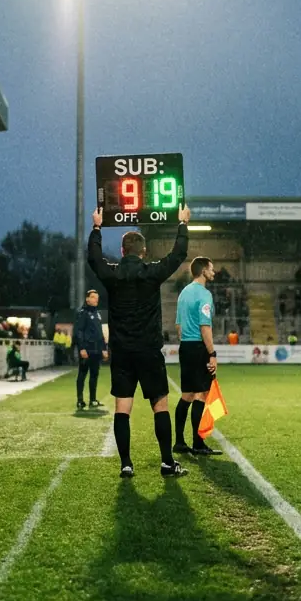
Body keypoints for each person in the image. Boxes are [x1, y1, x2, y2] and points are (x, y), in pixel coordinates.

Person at [87, 204, 191, 479]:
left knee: (123, 408)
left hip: (122, 352)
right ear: (143, 252)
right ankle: (167, 463)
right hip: (148, 351)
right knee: (160, 405)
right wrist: (182, 224)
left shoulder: (112, 274)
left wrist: (96, 228)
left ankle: (126, 464)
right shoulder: (152, 272)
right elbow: (178, 254)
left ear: (122, 252)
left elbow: (94, 259)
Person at [174, 256, 221, 457]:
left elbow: (178, 325)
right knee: (201, 394)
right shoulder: (204, 294)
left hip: (185, 345)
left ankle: (179, 442)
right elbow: (205, 327)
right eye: (211, 269)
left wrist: (186, 344)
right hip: (198, 347)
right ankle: (198, 443)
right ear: (203, 271)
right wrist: (212, 353)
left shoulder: (183, 293)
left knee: (187, 395)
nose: (214, 272)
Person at [73, 289, 107, 410]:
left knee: (94, 375)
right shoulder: (83, 313)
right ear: (87, 299)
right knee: (82, 374)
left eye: (97, 297)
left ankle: (92, 399)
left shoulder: (97, 313)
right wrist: (81, 348)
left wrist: (104, 348)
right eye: (93, 297)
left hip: (97, 350)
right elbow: (79, 331)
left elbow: (100, 333)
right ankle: (80, 400)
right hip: (87, 350)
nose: (96, 299)